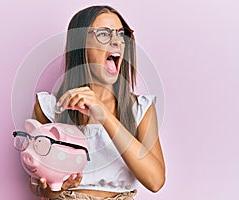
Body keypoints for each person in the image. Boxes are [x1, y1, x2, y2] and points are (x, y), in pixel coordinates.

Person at [30, 5, 165, 200]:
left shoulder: (140, 109)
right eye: (104, 34)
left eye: (121, 34)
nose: (117, 41)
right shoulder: (49, 108)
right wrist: (55, 189)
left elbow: (155, 181)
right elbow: (39, 187)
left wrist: (104, 115)